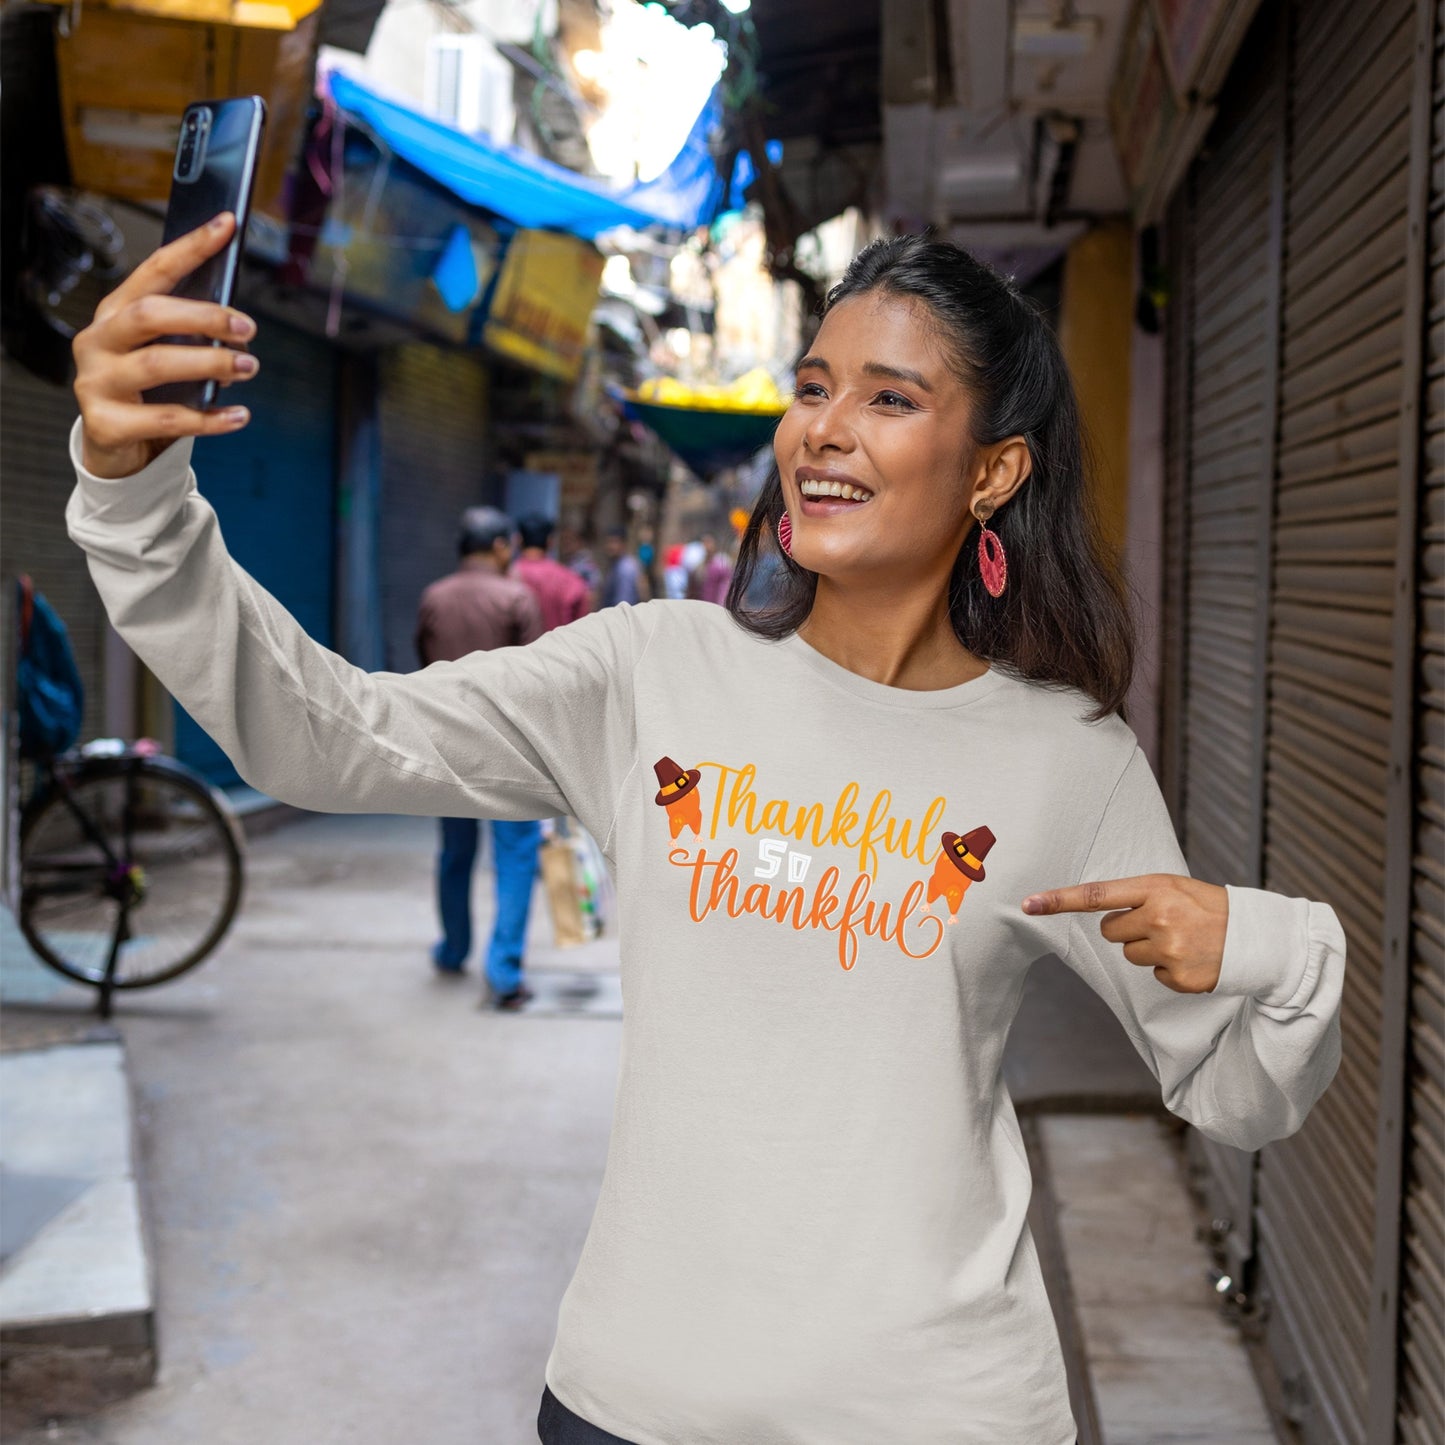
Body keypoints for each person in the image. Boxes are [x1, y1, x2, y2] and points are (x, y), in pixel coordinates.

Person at [67, 217, 1346, 1445]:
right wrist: (139, 507)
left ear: (995, 469)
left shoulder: (1062, 759)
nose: (823, 433)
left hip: (937, 1412)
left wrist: (1276, 948)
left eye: (888, 399)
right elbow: (323, 733)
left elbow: (1231, 1092)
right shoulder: (651, 670)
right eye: (812, 386)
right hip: (638, 1401)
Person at [415, 506, 543, 1009]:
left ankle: (452, 950)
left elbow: (423, 668)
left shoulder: (433, 598)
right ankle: (504, 971)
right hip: (509, 752)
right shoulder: (516, 597)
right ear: (498, 547)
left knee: (455, 854)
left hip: (447, 746)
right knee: (515, 856)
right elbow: (540, 682)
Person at [512, 513, 591, 632]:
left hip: (511, 651)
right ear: (550, 541)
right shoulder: (571, 580)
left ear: (518, 540)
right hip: (558, 650)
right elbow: (582, 630)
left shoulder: (505, 577)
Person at [599, 528, 645, 607]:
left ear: (623, 544)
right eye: (608, 542)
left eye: (614, 542)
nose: (610, 546)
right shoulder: (615, 565)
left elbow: (623, 602)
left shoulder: (625, 568)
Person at [684, 531, 734, 605]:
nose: (706, 546)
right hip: (701, 604)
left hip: (716, 605)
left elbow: (725, 587)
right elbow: (692, 587)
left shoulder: (721, 563)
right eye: (704, 543)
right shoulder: (698, 565)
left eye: (708, 543)